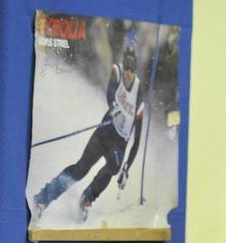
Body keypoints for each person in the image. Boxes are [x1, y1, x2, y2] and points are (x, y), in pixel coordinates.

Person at [33, 36, 145, 222]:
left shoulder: (139, 98)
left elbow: (138, 141)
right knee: (81, 169)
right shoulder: (117, 71)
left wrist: (127, 168)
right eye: (127, 68)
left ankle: (87, 198)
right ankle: (42, 199)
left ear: (135, 71)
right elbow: (110, 93)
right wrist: (115, 109)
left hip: (119, 143)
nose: (128, 73)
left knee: (114, 167)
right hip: (104, 134)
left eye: (131, 70)